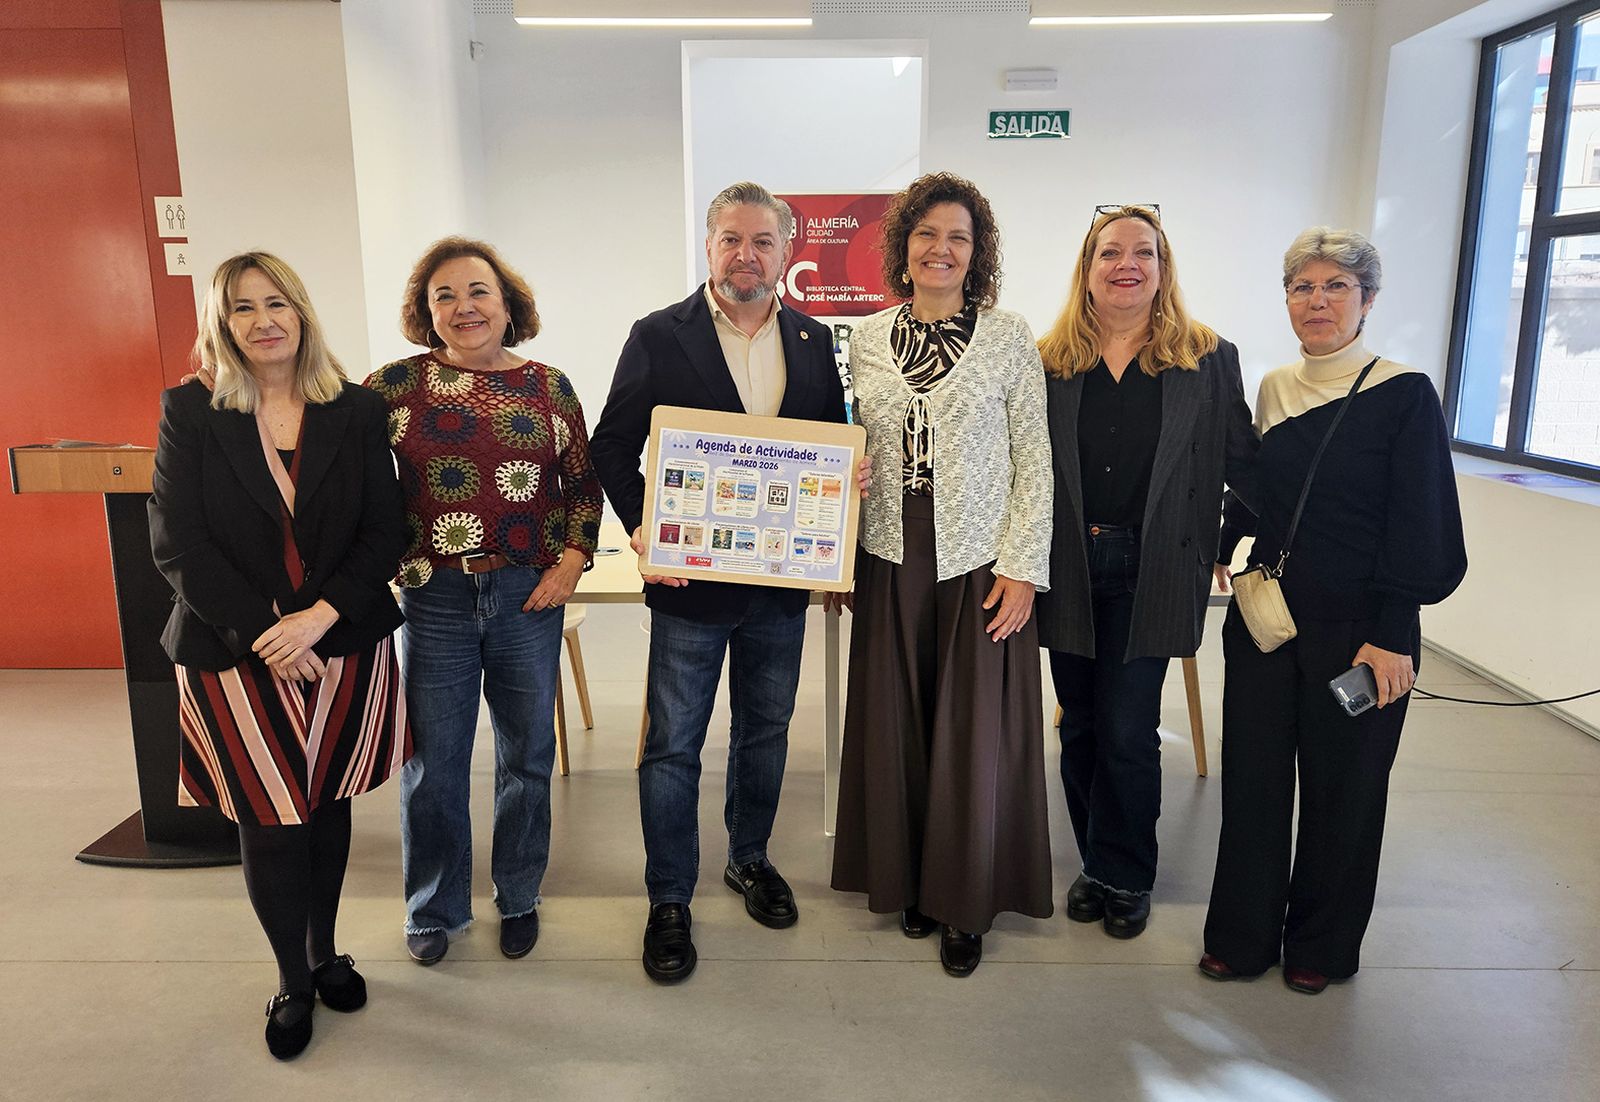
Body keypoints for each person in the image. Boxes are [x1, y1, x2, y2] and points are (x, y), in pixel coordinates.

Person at [149, 253, 409, 1059]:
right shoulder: (191, 412)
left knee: (326, 803)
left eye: (277, 304)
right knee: (269, 817)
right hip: (235, 652)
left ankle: (325, 951)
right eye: (241, 308)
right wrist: (269, 631)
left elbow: (386, 531)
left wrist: (319, 620)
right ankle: (291, 980)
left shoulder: (357, 412)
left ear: (302, 313)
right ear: (221, 326)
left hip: (340, 643)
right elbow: (177, 544)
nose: (263, 320)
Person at [589, 181, 848, 984]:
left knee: (766, 733)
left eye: (763, 241)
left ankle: (749, 858)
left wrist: (844, 496)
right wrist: (641, 528)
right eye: (731, 239)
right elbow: (611, 446)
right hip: (689, 590)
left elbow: (830, 445)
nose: (747, 255)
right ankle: (669, 896)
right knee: (672, 746)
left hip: (777, 589)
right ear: (709, 247)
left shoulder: (810, 340)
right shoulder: (658, 335)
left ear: (787, 253)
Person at [1200, 227, 1466, 993]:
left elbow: (1420, 523)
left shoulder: (1404, 391)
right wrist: (1224, 537)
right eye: (1302, 288)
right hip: (1268, 620)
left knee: (1343, 790)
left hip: (1361, 631)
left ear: (1368, 300)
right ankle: (1241, 937)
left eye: (1335, 287)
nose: (1317, 302)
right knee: (1251, 782)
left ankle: (1320, 944)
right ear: (1286, 300)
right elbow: (1266, 489)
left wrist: (1392, 636)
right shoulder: (1277, 385)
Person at [829, 171, 1054, 978]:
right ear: (904, 247)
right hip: (890, 551)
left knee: (970, 731)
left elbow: (1036, 458)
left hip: (978, 556)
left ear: (977, 251)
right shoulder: (863, 338)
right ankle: (909, 883)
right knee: (899, 721)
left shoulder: (1008, 336)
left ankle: (965, 899)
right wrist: (837, 508)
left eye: (958, 237)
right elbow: (844, 443)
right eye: (927, 235)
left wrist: (1025, 567)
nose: (941, 249)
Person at [364, 237, 603, 966]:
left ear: (508, 305)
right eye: (445, 295)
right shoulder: (392, 388)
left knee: (527, 754)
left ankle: (520, 894)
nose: (464, 307)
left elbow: (582, 486)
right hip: (433, 595)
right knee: (433, 762)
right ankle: (434, 906)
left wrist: (571, 561)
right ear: (425, 311)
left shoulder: (549, 387)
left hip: (528, 591)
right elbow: (335, 467)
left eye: (478, 292)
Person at [1033, 205, 1259, 940]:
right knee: (1082, 727)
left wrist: (1228, 542)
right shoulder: (1049, 359)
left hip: (1155, 565)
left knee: (1130, 728)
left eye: (1144, 253)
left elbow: (1244, 463)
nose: (1126, 264)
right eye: (1110, 252)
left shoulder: (1206, 355)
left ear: (1164, 270)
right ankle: (1099, 861)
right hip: (1066, 564)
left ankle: (1125, 871)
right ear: (1087, 268)